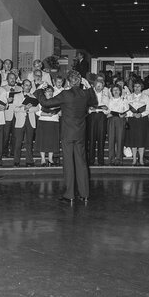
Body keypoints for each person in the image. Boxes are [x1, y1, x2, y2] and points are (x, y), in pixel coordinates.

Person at [34, 70, 97, 202]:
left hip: (68, 133)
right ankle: (84, 194)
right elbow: (94, 101)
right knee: (81, 162)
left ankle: (70, 195)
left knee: (68, 163)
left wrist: (39, 90)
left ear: (68, 81)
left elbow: (45, 103)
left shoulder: (65, 94)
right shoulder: (85, 94)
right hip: (80, 133)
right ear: (80, 81)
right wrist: (89, 87)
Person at [12, 79, 38, 167]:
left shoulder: (33, 96)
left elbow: (37, 108)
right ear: (22, 86)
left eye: (29, 85)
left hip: (30, 121)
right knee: (18, 142)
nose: (28, 87)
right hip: (20, 120)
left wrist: (29, 109)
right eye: (26, 85)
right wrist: (24, 108)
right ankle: (16, 161)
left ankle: (29, 161)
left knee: (29, 142)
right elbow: (15, 108)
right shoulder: (17, 96)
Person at [125, 80, 149, 166]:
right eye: (135, 86)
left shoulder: (146, 97)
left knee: (141, 140)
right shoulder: (129, 97)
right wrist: (132, 114)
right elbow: (125, 108)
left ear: (141, 87)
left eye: (138, 86)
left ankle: (141, 159)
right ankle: (134, 159)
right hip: (132, 120)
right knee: (133, 140)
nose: (137, 88)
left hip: (142, 120)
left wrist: (141, 114)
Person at [35, 85, 61, 166]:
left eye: (51, 91)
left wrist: (60, 112)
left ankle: (50, 159)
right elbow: (37, 112)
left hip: (54, 122)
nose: (49, 93)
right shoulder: (41, 101)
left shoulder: (56, 101)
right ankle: (43, 159)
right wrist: (47, 114)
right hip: (43, 122)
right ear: (44, 93)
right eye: (47, 91)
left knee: (52, 141)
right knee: (42, 141)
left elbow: (60, 112)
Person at [87, 78, 110, 166]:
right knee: (92, 139)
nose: (99, 87)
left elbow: (108, 109)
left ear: (103, 87)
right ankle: (91, 160)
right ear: (94, 86)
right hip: (92, 117)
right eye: (97, 86)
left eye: (100, 86)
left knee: (101, 139)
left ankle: (101, 161)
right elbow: (87, 107)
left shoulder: (106, 96)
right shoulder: (90, 96)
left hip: (101, 117)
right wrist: (90, 108)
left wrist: (106, 108)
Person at [107, 85, 128, 166]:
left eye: (117, 90)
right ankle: (111, 159)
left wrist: (124, 114)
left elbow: (127, 110)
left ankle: (119, 159)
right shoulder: (109, 100)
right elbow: (107, 111)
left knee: (120, 139)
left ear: (120, 91)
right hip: (111, 120)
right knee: (111, 139)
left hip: (120, 120)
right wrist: (108, 114)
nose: (115, 91)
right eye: (114, 90)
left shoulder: (123, 100)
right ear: (111, 92)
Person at [2, 72, 22, 157]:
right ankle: (4, 152)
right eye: (11, 78)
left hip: (17, 114)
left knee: (16, 135)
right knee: (5, 135)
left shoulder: (20, 88)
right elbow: (0, 101)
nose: (13, 80)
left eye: (14, 78)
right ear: (7, 79)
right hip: (7, 114)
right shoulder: (3, 89)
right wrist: (7, 100)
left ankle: (14, 152)